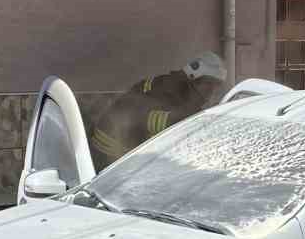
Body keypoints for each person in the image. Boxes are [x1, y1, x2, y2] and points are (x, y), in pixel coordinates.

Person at [89, 52, 227, 170]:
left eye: (216, 86)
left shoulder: (181, 91)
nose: (212, 91)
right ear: (193, 78)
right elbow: (159, 124)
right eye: (208, 84)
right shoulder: (166, 91)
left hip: (128, 150)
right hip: (109, 153)